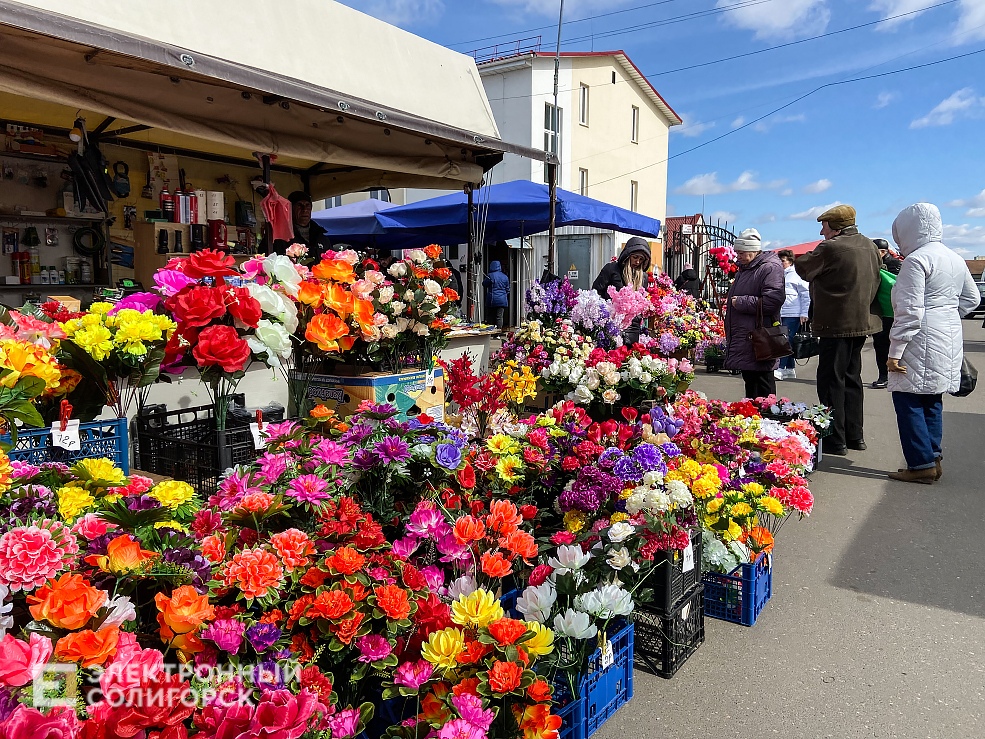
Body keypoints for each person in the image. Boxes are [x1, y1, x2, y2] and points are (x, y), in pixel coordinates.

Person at [886, 203, 978, 484]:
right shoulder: (955, 257)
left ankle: (920, 463)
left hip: (919, 337)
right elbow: (972, 299)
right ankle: (932, 456)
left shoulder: (916, 260)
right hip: (949, 334)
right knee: (932, 398)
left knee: (908, 398)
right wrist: (946, 314)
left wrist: (894, 352)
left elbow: (910, 310)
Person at [795, 204, 882, 456]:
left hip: (836, 323)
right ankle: (856, 436)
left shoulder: (830, 247)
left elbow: (803, 268)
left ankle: (836, 439)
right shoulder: (870, 246)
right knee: (852, 379)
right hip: (862, 323)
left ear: (835, 226)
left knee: (832, 380)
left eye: (824, 225)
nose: (822, 231)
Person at [724, 229, 786, 399]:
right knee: (751, 384)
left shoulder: (769, 268)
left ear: (753, 250)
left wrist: (741, 302)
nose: (738, 256)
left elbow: (773, 301)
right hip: (747, 337)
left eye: (742, 252)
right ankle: (753, 421)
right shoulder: (746, 268)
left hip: (760, 339)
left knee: (762, 386)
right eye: (737, 252)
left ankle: (767, 422)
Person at [593, 237, 652, 343]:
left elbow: (642, 300)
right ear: (628, 255)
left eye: (641, 259)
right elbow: (596, 292)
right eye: (635, 257)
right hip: (612, 324)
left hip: (633, 326)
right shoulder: (611, 269)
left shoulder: (643, 277)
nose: (637, 261)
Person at [870, 237, 902, 388]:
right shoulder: (871, 265)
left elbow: (896, 284)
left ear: (883, 252)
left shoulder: (895, 264)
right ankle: (883, 375)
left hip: (893, 312)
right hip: (879, 311)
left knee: (895, 345)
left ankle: (894, 375)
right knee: (880, 345)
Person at [775, 249, 810, 380]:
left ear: (790, 261)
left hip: (793, 313)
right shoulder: (780, 275)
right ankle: (790, 369)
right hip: (782, 312)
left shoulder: (796, 275)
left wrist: (804, 313)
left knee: (785, 341)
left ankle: (779, 368)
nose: (781, 263)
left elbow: (805, 294)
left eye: (783, 261)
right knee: (787, 340)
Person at [272, 191, 330, 260]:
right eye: (299, 205)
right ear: (290, 209)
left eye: (307, 205)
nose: (304, 210)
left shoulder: (321, 237)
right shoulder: (281, 237)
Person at [483, 260, 510, 329]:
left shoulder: (490, 275)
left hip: (492, 299)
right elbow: (508, 289)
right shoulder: (505, 277)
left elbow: (484, 284)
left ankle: (490, 332)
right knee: (499, 316)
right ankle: (498, 332)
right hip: (502, 299)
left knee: (490, 316)